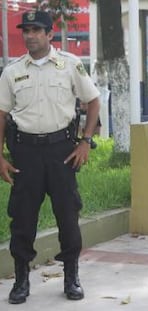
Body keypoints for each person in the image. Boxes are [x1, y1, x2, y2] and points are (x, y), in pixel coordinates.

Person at [0, 11, 100, 304]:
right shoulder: (11, 71)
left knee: (68, 215)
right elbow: (2, 115)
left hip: (62, 152)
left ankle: (71, 276)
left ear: (49, 34)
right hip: (25, 153)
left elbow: (92, 101)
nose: (29, 35)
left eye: (36, 30)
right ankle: (21, 280)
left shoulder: (70, 65)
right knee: (22, 219)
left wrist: (86, 141)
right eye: (26, 30)